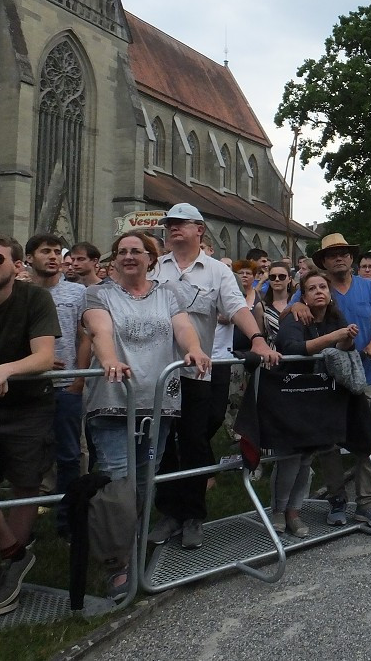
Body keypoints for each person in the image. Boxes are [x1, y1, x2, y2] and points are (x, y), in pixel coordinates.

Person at [82, 231, 210, 595]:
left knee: (142, 483)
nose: (128, 256)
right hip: (114, 400)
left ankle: (132, 548)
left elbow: (183, 328)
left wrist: (195, 350)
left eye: (136, 251)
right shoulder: (99, 293)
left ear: (150, 258)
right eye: (121, 251)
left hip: (157, 402)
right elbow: (99, 329)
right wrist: (109, 360)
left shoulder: (167, 293)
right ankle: (117, 564)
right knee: (117, 485)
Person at [147, 203, 279, 550]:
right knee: (162, 446)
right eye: (169, 224)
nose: (173, 228)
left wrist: (258, 339)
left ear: (199, 230)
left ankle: (193, 515)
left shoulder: (217, 273)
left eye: (181, 223)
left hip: (195, 372)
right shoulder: (156, 269)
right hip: (158, 373)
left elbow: (237, 307)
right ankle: (169, 512)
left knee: (193, 441)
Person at [293, 233, 371, 528]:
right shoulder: (317, 286)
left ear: (351, 257)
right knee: (328, 443)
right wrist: (294, 306)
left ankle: (367, 503)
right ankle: (336, 498)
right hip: (325, 379)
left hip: (364, 374)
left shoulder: (368, 286)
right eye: (332, 254)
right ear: (323, 260)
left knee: (368, 439)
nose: (339, 258)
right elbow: (288, 309)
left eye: (344, 253)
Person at [269, 270, 360, 538]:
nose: (319, 291)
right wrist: (335, 338)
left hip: (318, 396)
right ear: (303, 296)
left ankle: (294, 513)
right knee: (290, 457)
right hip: (289, 395)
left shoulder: (334, 318)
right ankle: (277, 510)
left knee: (307, 458)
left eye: (323, 287)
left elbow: (344, 349)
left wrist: (348, 337)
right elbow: (292, 349)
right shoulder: (294, 315)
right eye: (312, 288)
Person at [0, 234, 60, 615]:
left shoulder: (35, 298)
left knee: (24, 483)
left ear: (16, 266)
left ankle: (9, 567)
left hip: (28, 406)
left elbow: (43, 357)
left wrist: (5, 369)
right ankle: (15, 554)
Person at [25, 234, 89, 538]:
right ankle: (24, 524)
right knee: (26, 457)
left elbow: (85, 334)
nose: (53, 256)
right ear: (28, 259)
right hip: (28, 386)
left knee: (68, 456)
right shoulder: (20, 292)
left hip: (66, 387)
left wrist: (79, 378)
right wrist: (39, 359)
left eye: (56, 251)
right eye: (44, 251)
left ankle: (68, 522)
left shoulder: (76, 292)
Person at [260, 261, 293, 347]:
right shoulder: (262, 306)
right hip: (272, 355)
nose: (277, 279)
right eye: (272, 277)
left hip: (297, 353)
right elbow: (260, 337)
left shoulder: (297, 302)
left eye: (282, 276)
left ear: (289, 279)